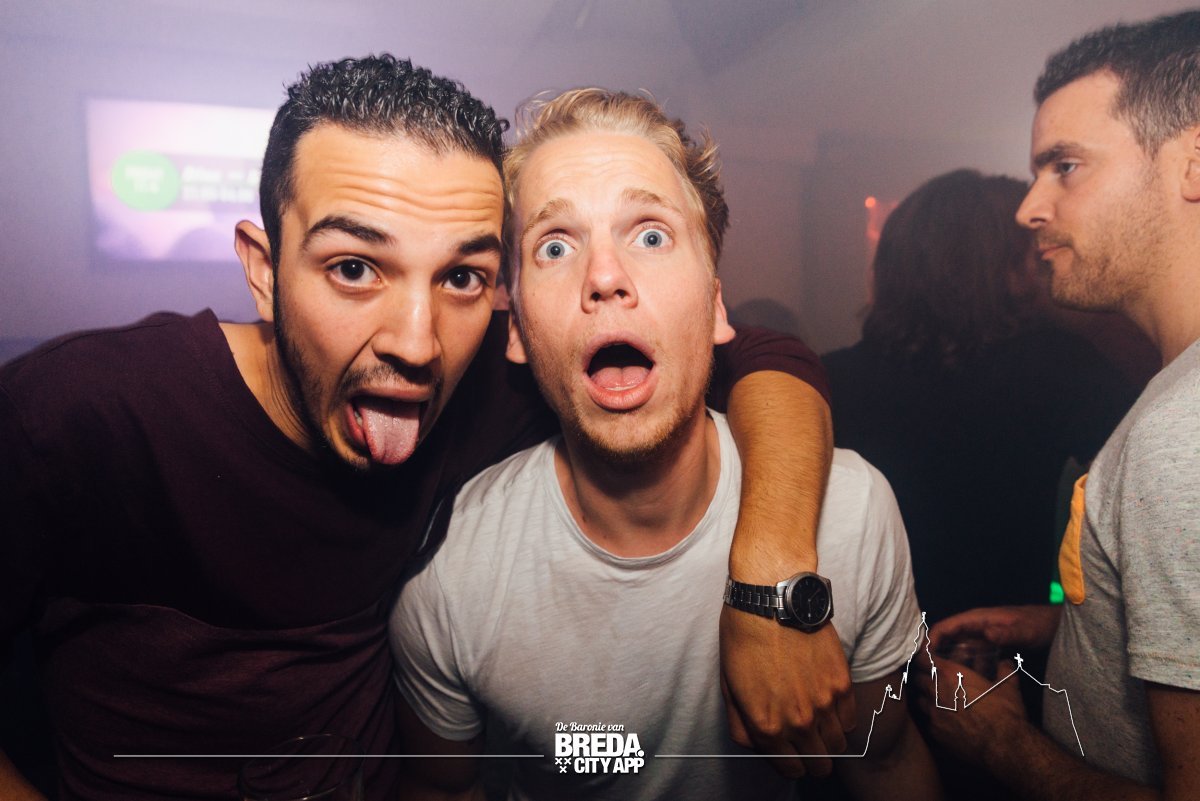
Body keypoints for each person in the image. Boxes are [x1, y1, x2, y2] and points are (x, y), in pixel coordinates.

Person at [0, 57, 843, 801]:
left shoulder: (494, 383)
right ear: (263, 270)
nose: (416, 341)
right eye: (354, 268)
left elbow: (755, 356)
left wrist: (769, 574)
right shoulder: (80, 414)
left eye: (462, 276)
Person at [389, 88, 941, 801]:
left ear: (715, 305)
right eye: (555, 246)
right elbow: (441, 787)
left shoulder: (852, 514)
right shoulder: (452, 570)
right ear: (516, 329)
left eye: (650, 236)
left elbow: (885, 761)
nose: (605, 277)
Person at [916, 11, 1200, 799]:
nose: (1029, 207)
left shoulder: (1180, 434)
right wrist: (1073, 622)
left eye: (1066, 166)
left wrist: (1000, 742)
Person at [823, 169, 1135, 627]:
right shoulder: (1056, 367)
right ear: (1001, 267)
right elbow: (1147, 498)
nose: (1040, 265)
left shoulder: (827, 379)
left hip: (856, 644)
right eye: (1030, 254)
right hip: (1001, 645)